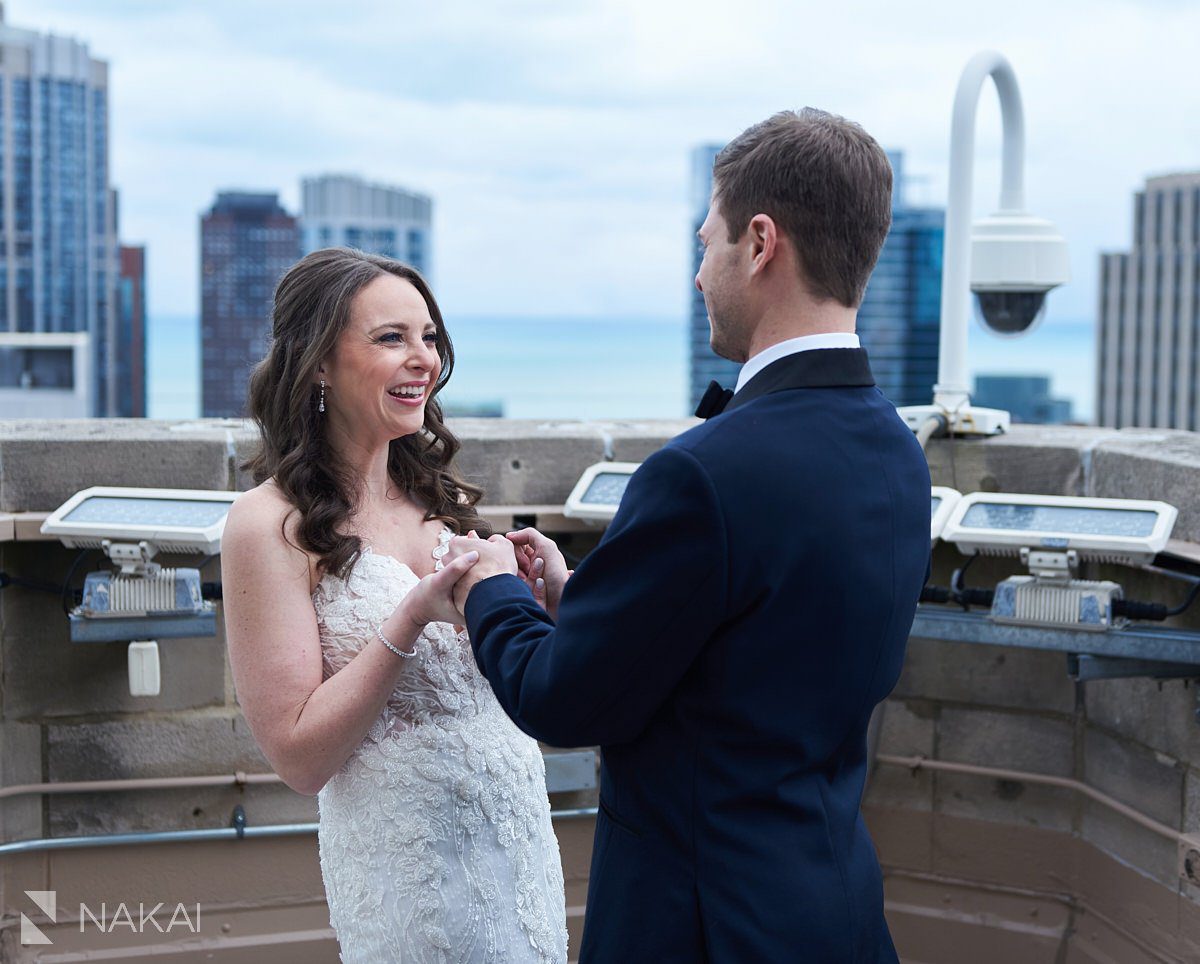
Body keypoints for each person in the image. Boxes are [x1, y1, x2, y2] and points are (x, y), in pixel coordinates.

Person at [441, 109, 932, 962]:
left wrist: (489, 588)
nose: (699, 275)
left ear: (761, 242)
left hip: (701, 926)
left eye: (707, 244)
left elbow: (561, 699)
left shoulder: (703, 473)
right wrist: (581, 600)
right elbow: (748, 647)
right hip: (832, 911)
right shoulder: (895, 450)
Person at [220, 249, 568, 964]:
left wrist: (551, 604)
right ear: (318, 363)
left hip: (521, 858)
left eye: (430, 338)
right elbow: (298, 756)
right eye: (392, 339)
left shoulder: (445, 507)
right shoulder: (268, 525)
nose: (424, 361)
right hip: (413, 889)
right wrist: (409, 617)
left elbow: (512, 691)